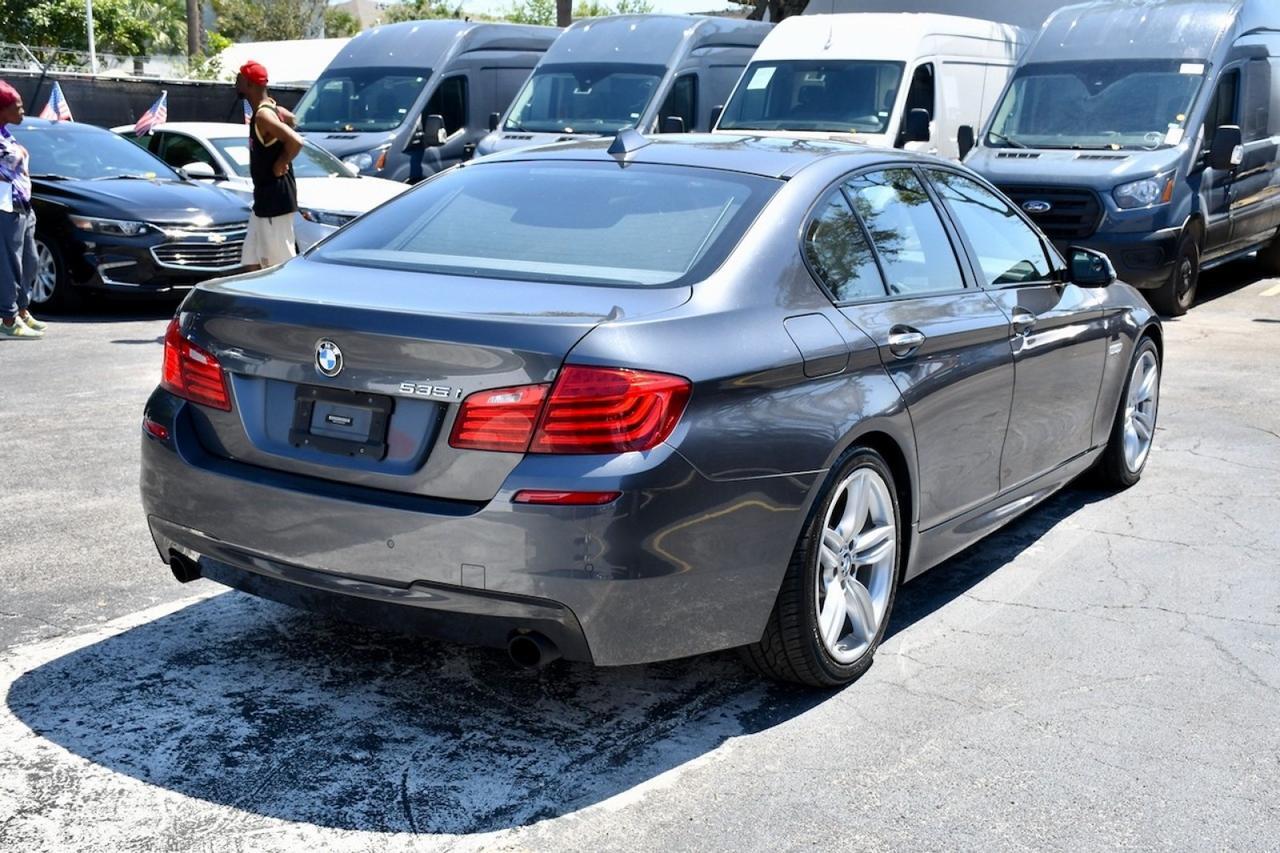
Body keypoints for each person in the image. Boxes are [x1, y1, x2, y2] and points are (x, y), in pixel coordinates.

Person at [235, 61, 303, 270]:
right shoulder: (270, 109)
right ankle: (255, 302)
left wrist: (281, 162)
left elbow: (296, 141)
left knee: (280, 265)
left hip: (275, 199)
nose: (235, 83)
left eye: (238, 79)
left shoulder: (264, 115)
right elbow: (293, 119)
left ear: (249, 83)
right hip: (264, 200)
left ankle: (290, 301)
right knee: (251, 260)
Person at [0, 80, 46, 339]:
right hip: (5, 206)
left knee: (30, 260)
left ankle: (22, 310)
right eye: (16, 107)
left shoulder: (6, 134)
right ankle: (7, 319)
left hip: (22, 204)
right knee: (9, 263)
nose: (22, 111)